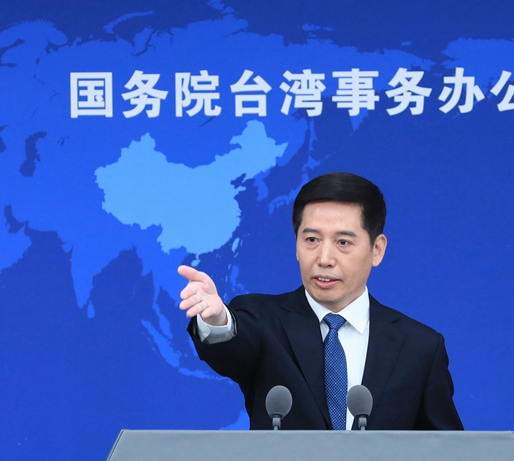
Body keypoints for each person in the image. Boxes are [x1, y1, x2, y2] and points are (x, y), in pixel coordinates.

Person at [178, 172, 463, 430]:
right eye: (312, 240)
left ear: (377, 249)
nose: (324, 259)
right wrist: (218, 320)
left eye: (343, 242)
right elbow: (232, 346)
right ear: (296, 245)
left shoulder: (419, 346)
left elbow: (447, 453)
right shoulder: (263, 320)